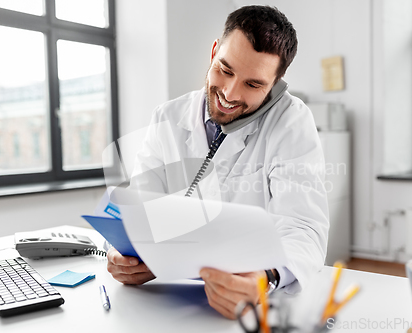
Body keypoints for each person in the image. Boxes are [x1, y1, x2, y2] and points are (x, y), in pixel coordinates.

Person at [107, 5, 329, 319]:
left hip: (249, 312)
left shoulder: (291, 122)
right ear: (214, 52)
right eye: (224, 69)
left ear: (275, 84)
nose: (229, 92)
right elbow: (142, 207)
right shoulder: (167, 116)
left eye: (253, 84)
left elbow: (304, 228)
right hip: (168, 305)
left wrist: (265, 278)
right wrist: (129, 255)